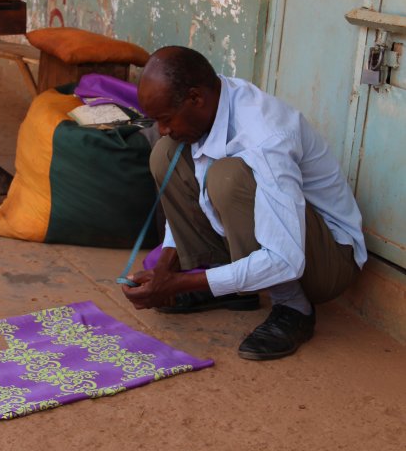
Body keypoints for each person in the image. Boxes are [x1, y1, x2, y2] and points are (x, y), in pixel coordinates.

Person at [121, 46, 367, 361]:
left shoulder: (266, 137)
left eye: (166, 119)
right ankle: (228, 283)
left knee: (228, 178)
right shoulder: (210, 106)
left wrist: (179, 284)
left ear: (196, 99)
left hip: (328, 259)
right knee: (165, 153)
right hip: (282, 241)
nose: (163, 130)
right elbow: (192, 198)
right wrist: (164, 270)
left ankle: (293, 307)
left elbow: (286, 259)